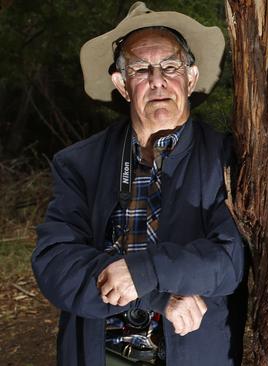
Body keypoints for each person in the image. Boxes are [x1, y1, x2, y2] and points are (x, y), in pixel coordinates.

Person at [31, 2, 244, 365]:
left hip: (193, 353)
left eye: (170, 66)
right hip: (98, 354)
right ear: (122, 84)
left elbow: (228, 261)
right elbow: (54, 263)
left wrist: (144, 272)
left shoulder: (224, 157)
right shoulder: (80, 163)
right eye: (141, 69)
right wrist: (154, 295)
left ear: (190, 78)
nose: (157, 80)